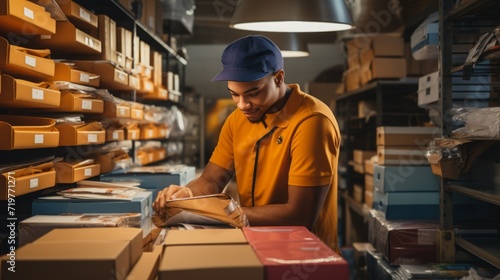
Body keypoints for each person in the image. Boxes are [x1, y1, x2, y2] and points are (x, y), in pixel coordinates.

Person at [153, 35, 341, 251]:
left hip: (306, 254)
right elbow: (212, 178)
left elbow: (301, 215)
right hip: (256, 243)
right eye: (234, 94)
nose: (243, 105)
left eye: (253, 93)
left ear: (278, 78)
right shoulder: (236, 120)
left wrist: (222, 211)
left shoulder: (312, 122)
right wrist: (185, 195)